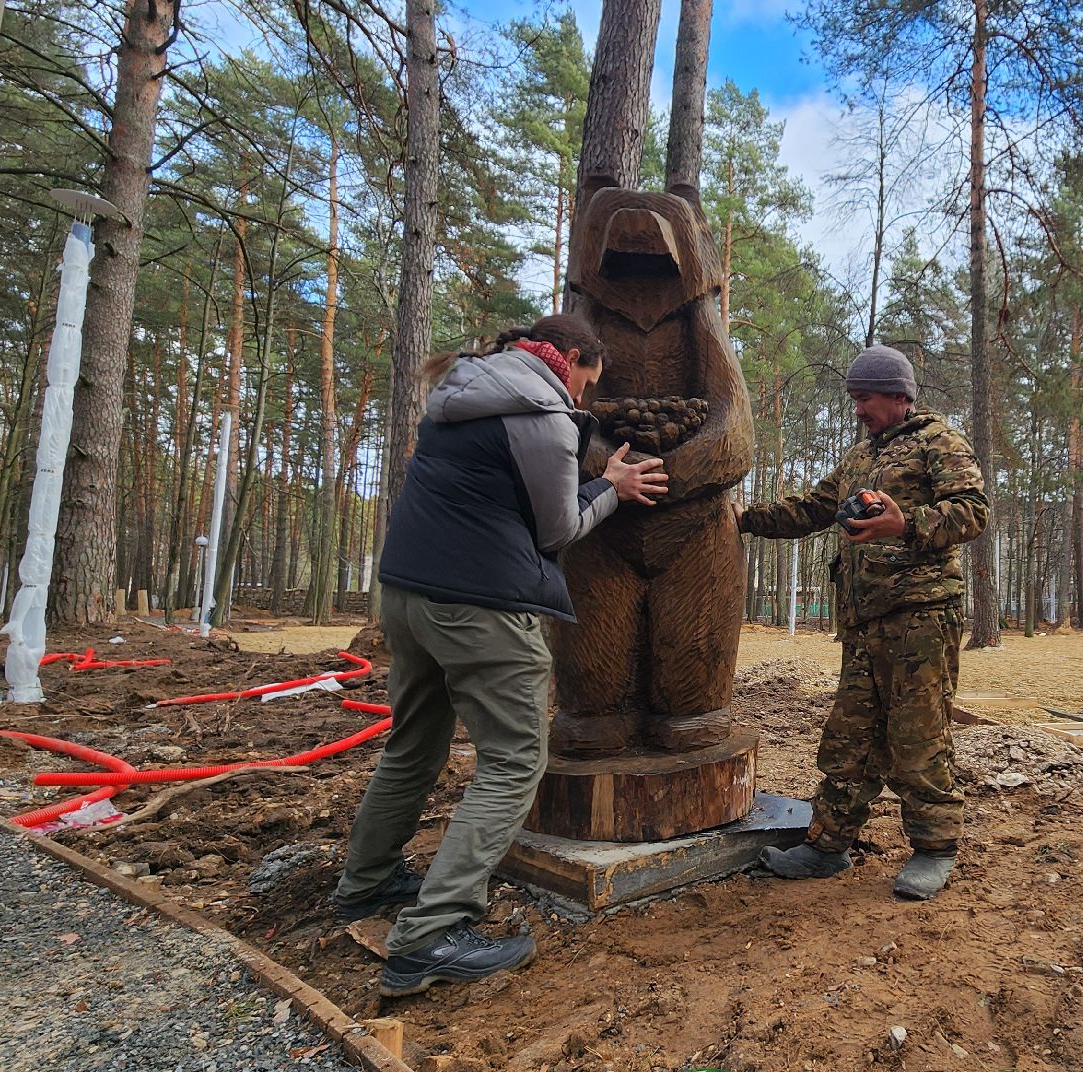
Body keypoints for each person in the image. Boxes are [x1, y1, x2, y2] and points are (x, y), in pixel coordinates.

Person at [330, 314, 668, 998]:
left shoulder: (462, 389)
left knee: (413, 745)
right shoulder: (541, 415)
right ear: (568, 358)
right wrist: (612, 487)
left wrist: (593, 469)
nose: (583, 398)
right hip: (478, 603)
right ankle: (429, 936)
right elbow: (557, 530)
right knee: (515, 758)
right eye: (586, 382)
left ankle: (365, 883)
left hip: (405, 593)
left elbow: (496, 490)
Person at [736, 345, 987, 900]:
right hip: (864, 621)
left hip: (920, 617)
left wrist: (907, 523)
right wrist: (742, 518)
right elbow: (813, 508)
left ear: (900, 396)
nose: (858, 410)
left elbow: (973, 510)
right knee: (848, 737)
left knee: (919, 738)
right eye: (853, 399)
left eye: (865, 399)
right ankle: (829, 846)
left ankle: (934, 849)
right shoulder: (858, 457)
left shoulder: (938, 441)